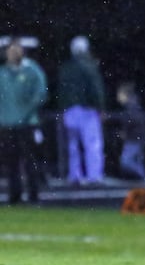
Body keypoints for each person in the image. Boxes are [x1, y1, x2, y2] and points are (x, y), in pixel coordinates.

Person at [0, 37, 48, 204]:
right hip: (6, 125)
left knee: (30, 161)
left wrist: (26, 112)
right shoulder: (3, 73)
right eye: (10, 50)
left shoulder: (32, 70)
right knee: (11, 163)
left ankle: (34, 195)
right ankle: (15, 196)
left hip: (28, 124)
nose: (13, 52)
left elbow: (41, 94)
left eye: (16, 49)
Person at [57, 35, 106, 186]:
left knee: (73, 145)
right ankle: (94, 176)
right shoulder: (89, 66)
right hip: (87, 110)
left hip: (70, 110)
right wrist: (101, 107)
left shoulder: (65, 68)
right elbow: (96, 89)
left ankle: (75, 175)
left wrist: (62, 109)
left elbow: (61, 91)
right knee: (92, 143)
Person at [116, 81, 145, 180]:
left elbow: (134, 121)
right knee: (137, 162)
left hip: (134, 139)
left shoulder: (132, 107)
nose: (118, 96)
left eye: (120, 94)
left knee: (126, 162)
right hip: (137, 138)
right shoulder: (132, 106)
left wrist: (126, 132)